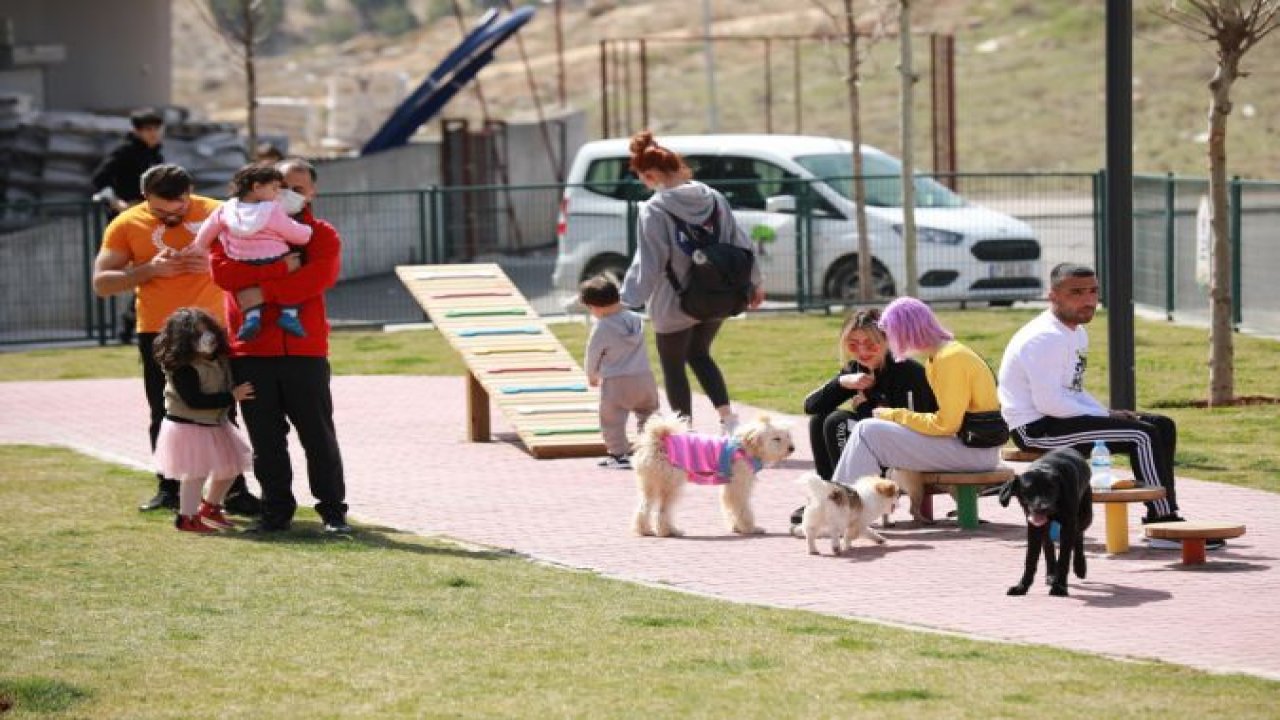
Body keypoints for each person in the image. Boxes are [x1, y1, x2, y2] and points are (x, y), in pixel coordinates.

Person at [997, 263, 1209, 548]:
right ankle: (1163, 522)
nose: (1087, 300)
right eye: (1076, 292)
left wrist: (1107, 413)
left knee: (1160, 425)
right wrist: (1104, 415)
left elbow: (1073, 390)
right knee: (1140, 434)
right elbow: (1049, 403)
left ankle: (1166, 514)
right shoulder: (1044, 338)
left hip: (1059, 418)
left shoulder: (1074, 331)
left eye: (1093, 291)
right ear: (1053, 297)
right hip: (1036, 428)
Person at [92, 163, 262, 516]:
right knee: (165, 409)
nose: (171, 217)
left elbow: (255, 262)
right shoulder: (126, 223)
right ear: (144, 197)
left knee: (224, 407)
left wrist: (215, 263)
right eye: (160, 211)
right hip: (158, 330)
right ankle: (168, 488)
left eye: (180, 209)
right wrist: (148, 270)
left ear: (191, 193)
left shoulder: (218, 212)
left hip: (214, 329)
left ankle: (233, 491)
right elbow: (102, 283)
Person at [209, 157, 350, 534]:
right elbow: (224, 273)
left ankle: (333, 512)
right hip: (251, 353)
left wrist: (259, 290)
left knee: (318, 437)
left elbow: (316, 279)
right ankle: (275, 513)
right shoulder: (231, 228)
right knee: (265, 441)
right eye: (281, 186)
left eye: (298, 190)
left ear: (313, 193)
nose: (286, 195)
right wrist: (281, 270)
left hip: (305, 351)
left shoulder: (321, 233)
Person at [619, 130, 764, 435]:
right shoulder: (714, 198)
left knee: (673, 367)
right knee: (699, 354)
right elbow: (740, 241)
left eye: (644, 176)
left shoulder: (654, 209)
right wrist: (754, 282)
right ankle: (728, 420)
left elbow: (650, 261)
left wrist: (628, 298)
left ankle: (684, 435)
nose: (645, 183)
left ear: (653, 173)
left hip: (675, 299)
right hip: (719, 295)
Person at [830, 297, 1003, 487]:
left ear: (906, 331)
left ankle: (845, 503)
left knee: (866, 430)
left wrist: (894, 415)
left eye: (891, 333)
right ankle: (849, 500)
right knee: (868, 431)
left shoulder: (950, 359)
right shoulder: (938, 357)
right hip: (969, 446)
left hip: (976, 452)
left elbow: (946, 425)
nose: (890, 340)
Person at [151, 307, 255, 533]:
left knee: (231, 467)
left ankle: (211, 507)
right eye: (198, 335)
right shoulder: (182, 367)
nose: (206, 339)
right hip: (188, 426)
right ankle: (186, 517)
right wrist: (231, 396)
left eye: (208, 332)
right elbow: (194, 401)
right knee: (195, 474)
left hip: (215, 424)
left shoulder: (220, 359)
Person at [803, 308, 937, 482]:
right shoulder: (857, 370)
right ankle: (831, 494)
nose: (862, 352)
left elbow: (912, 432)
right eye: (853, 345)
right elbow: (810, 406)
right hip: (881, 446)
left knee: (837, 422)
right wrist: (841, 383)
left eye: (870, 344)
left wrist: (865, 408)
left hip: (916, 454)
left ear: (887, 341)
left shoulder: (907, 373)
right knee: (819, 419)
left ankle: (848, 494)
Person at [187, 163, 313, 341]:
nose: (278, 193)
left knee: (246, 286)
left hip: (241, 257)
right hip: (274, 256)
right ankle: (289, 314)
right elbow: (292, 232)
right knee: (292, 275)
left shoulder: (226, 209)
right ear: (257, 187)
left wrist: (199, 246)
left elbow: (208, 229)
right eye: (275, 188)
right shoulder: (270, 210)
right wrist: (306, 233)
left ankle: (252, 318)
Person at [91, 107, 166, 344]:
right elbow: (100, 179)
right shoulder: (124, 152)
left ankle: (128, 325)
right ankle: (127, 326)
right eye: (148, 129)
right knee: (140, 272)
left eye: (156, 129)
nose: (153, 134)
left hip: (152, 216)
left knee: (149, 273)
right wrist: (117, 203)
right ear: (137, 131)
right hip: (131, 217)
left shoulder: (156, 155)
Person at [580, 274, 661, 470]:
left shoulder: (602, 327)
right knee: (648, 414)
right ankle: (648, 450)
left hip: (617, 381)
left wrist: (591, 375)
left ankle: (619, 454)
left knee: (612, 419)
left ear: (595, 307)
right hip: (644, 377)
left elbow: (593, 354)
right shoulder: (636, 320)